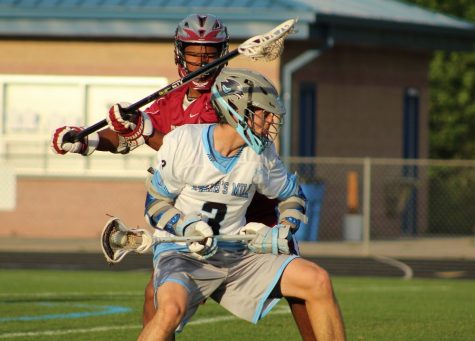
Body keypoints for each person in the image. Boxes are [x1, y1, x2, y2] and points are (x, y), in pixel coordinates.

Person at [50, 14, 316, 340]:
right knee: (156, 296)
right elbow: (127, 138)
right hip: (198, 214)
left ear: (222, 53)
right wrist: (87, 140)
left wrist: (145, 130)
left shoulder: (226, 101)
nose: (202, 61)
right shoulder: (172, 100)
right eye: (195, 53)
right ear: (180, 53)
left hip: (251, 210)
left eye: (210, 53)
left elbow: (193, 157)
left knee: (299, 286)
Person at [139, 68, 346, 341]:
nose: (271, 119)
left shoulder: (260, 154)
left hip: (236, 253)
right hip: (183, 251)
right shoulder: (184, 141)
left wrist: (282, 230)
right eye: (264, 112)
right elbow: (155, 205)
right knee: (169, 309)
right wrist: (186, 225)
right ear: (237, 110)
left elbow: (293, 196)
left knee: (317, 281)